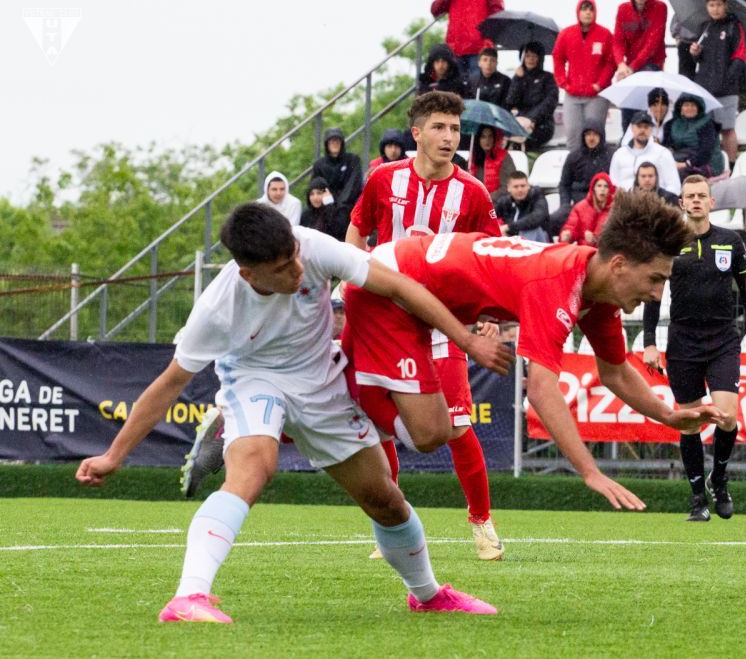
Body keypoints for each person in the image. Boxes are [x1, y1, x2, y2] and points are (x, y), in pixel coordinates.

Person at [76, 203, 510, 622]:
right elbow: (168, 384)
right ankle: (188, 595)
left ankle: (428, 596)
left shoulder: (311, 246)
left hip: (322, 382)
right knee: (253, 470)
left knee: (385, 500)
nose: (297, 271)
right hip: (253, 379)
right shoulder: (215, 308)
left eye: (294, 258)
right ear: (249, 274)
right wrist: (113, 456)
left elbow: (399, 286)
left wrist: (466, 340)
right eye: (282, 269)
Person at [342, 190, 725, 513]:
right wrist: (589, 471)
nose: (658, 294)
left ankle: (345, 389)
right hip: (390, 287)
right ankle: (344, 397)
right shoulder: (556, 284)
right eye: (655, 279)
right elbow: (541, 389)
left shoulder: (596, 291)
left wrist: (668, 415)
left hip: (417, 292)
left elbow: (616, 371)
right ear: (620, 265)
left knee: (435, 432)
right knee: (428, 435)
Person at [345, 91, 508, 561]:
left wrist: (489, 316)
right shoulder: (383, 179)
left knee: (457, 424)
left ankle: (481, 523)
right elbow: (358, 229)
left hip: (443, 322)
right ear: (416, 133)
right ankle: (392, 525)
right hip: (383, 321)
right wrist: (348, 276)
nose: (449, 137)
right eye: (439, 127)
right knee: (377, 424)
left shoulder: (473, 192)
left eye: (455, 129)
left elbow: (490, 256)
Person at [642, 175, 746, 521]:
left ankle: (720, 478)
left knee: (727, 417)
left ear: (712, 202)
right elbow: (653, 294)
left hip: (723, 339)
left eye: (701, 196)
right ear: (681, 203)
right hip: (682, 340)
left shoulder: (730, 241)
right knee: (690, 421)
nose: (696, 201)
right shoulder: (669, 243)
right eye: (689, 196)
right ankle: (698, 498)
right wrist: (650, 342)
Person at [552, 0, 616, 154]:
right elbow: (557, 57)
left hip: (596, 95)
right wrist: (563, 83)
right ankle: (575, 170)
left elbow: (611, 62)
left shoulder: (605, 34)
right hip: (572, 94)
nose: (587, 13)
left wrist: (600, 84)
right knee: (573, 133)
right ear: (578, 12)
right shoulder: (567, 34)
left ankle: (596, 169)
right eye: (584, 9)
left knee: (595, 133)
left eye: (591, 9)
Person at [690, 0, 746, 162]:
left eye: (718, 5)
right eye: (711, 5)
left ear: (725, 5)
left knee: (727, 129)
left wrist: (726, 79)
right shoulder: (704, 27)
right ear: (707, 7)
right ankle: (710, 164)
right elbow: (699, 58)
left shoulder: (735, 26)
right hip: (704, 89)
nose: (715, 9)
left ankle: (730, 164)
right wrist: (695, 53)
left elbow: (741, 56)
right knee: (706, 130)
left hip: (726, 90)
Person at [613, 0, 669, 132]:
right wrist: (620, 63)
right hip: (629, 67)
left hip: (652, 64)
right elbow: (618, 40)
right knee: (628, 108)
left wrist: (632, 68)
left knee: (647, 107)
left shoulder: (660, 7)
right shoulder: (623, 9)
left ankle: (650, 140)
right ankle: (627, 142)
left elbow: (653, 43)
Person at [554, 118, 615, 235]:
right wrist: (565, 204)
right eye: (588, 134)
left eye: (595, 134)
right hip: (578, 203)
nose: (591, 138)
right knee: (554, 220)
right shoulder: (574, 157)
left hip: (602, 204)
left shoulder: (611, 156)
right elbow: (564, 184)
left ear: (601, 136)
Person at [430, 0, 505, 82]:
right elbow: (435, 10)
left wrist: (487, 38)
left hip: (480, 50)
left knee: (477, 91)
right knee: (456, 92)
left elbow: (498, 14)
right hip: (456, 50)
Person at [610, 111, 681, 198]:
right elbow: (613, 184)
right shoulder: (619, 154)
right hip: (625, 204)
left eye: (646, 127)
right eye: (639, 126)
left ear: (651, 129)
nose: (642, 130)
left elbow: (674, 187)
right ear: (632, 128)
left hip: (655, 204)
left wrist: (660, 201)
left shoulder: (663, 153)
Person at [505, 41, 558, 150]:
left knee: (527, 139)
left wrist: (532, 119)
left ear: (540, 58)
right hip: (519, 120)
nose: (531, 59)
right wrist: (518, 80)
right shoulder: (518, 77)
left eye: (534, 56)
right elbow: (510, 102)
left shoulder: (548, 78)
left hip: (542, 123)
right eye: (528, 56)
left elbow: (550, 103)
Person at [663, 93, 726, 180]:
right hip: (680, 158)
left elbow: (705, 152)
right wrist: (668, 149)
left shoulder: (707, 124)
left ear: (698, 108)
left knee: (678, 175)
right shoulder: (673, 123)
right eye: (686, 105)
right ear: (680, 108)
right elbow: (668, 143)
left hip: (706, 163)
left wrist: (686, 164)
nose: (689, 108)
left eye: (693, 105)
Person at [312, 128, 364, 215]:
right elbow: (316, 185)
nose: (335, 144)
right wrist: (328, 200)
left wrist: (339, 204)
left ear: (342, 143)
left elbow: (354, 185)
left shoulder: (353, 160)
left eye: (337, 141)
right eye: (332, 141)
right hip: (325, 206)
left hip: (348, 207)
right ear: (327, 144)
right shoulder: (319, 165)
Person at [493, 171, 551, 242]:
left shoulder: (537, 197)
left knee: (530, 229)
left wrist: (508, 227)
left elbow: (536, 218)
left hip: (539, 241)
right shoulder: (505, 201)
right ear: (508, 188)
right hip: (514, 241)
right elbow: (490, 216)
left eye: (523, 186)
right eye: (516, 187)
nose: (520, 190)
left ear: (528, 186)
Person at [560, 172, 615, 245]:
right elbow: (572, 227)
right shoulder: (580, 208)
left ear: (610, 190)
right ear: (593, 188)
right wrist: (567, 236)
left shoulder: (615, 209)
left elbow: (615, 237)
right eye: (599, 186)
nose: (602, 189)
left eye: (606, 186)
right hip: (583, 251)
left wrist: (595, 240)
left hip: (605, 253)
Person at [468, 125, 515, 198]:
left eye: (490, 136)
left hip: (498, 202)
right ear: (478, 139)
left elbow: (508, 186)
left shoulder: (504, 157)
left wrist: (487, 199)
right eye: (483, 137)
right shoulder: (473, 158)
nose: (487, 140)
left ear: (495, 138)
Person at [301, 177, 350, 241]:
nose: (315, 197)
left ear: (327, 193)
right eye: (312, 194)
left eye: (319, 193)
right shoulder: (306, 215)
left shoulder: (340, 211)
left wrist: (329, 205)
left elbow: (337, 231)